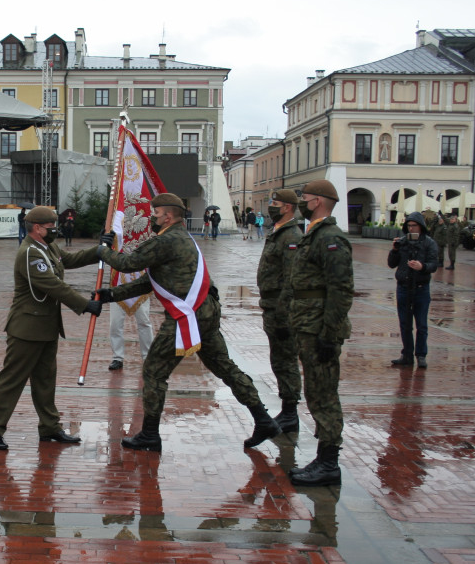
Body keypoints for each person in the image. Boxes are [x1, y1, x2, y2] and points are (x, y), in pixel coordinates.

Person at [95, 193, 280, 453]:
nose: (152, 217)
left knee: (154, 372)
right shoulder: (182, 237)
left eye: (156, 213)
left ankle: (149, 434)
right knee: (225, 368)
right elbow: (153, 281)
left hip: (187, 315)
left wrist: (102, 251)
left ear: (168, 216)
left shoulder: (167, 240)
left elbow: (128, 264)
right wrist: (111, 295)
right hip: (205, 312)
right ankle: (263, 419)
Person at [0, 206, 103, 451]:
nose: (55, 231)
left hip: (46, 327)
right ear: (37, 228)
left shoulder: (47, 247)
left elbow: (69, 260)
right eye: (51, 228)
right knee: (12, 380)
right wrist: (85, 304)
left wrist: (99, 250)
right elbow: (53, 285)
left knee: (46, 380)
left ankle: (50, 428)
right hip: (27, 328)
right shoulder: (30, 253)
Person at [287, 180, 354, 486]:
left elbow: (340, 290)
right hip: (308, 325)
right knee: (315, 392)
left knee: (324, 394)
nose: (303, 202)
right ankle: (323, 459)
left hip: (319, 329)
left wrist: (330, 332)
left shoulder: (330, 238)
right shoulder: (314, 233)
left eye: (306, 198)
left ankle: (329, 463)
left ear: (318, 201)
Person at [257, 189, 303, 432]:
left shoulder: (291, 236)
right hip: (272, 308)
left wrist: (285, 316)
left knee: (286, 361)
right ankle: (287, 409)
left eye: (275, 203)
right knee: (279, 359)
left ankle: (290, 412)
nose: (271, 206)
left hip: (282, 311)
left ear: (287, 207)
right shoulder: (278, 233)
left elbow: (292, 280)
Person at [388, 213, 439, 369]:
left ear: (421, 226)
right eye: (409, 226)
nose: (411, 228)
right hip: (403, 287)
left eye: (414, 226)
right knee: (405, 324)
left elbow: (434, 264)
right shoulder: (403, 242)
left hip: (421, 288)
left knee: (421, 324)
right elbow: (391, 264)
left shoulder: (429, 243)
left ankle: (421, 355)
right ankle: (407, 354)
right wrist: (394, 251)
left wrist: (422, 267)